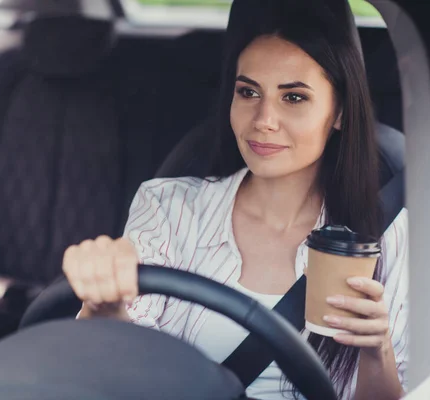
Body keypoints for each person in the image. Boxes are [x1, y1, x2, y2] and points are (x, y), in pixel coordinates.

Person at [62, 0, 408, 399]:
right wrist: (103, 308)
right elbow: (122, 371)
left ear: (340, 112)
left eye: (293, 97)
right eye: (248, 92)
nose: (263, 119)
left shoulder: (386, 237)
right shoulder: (168, 208)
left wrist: (375, 349)